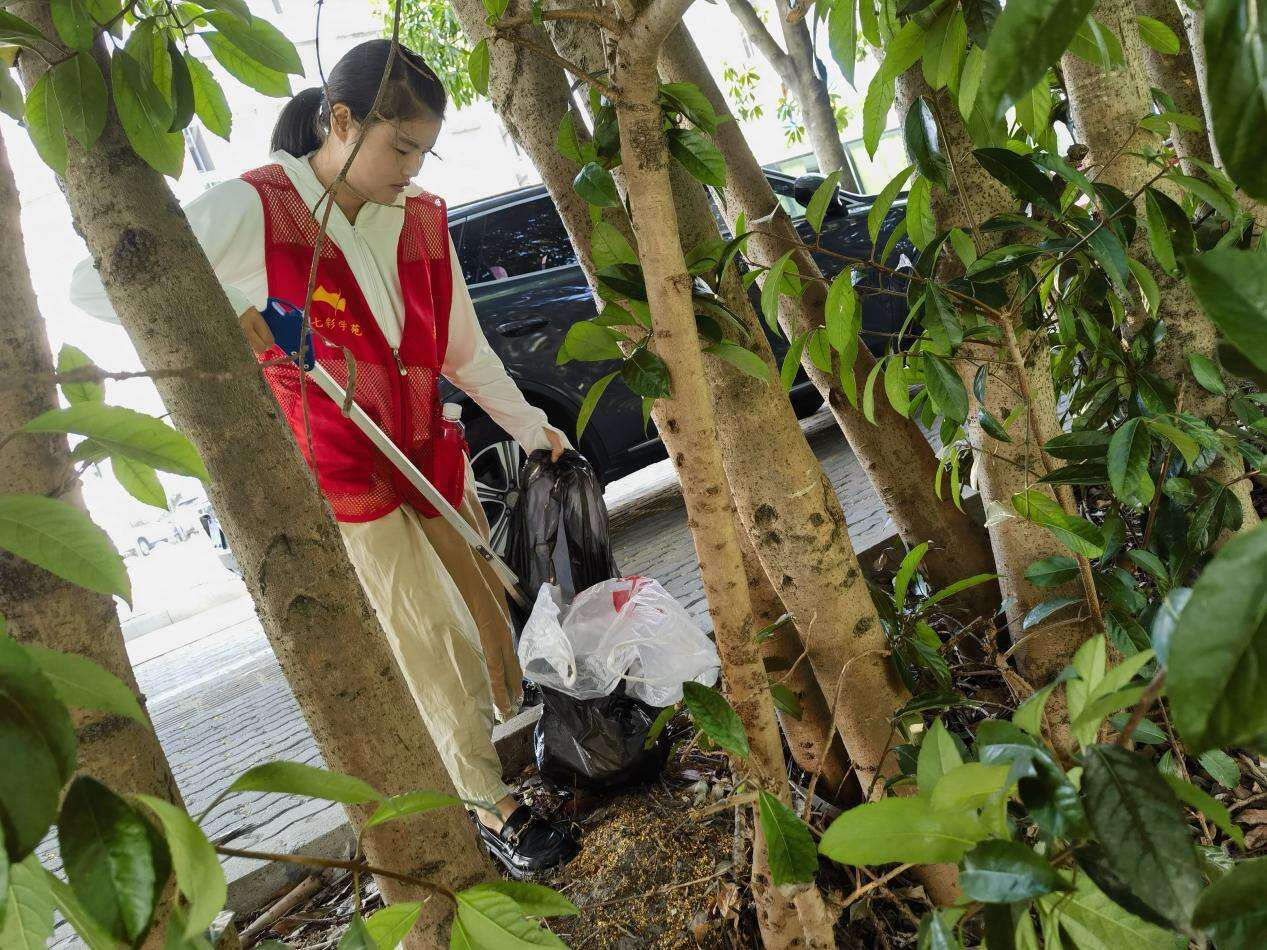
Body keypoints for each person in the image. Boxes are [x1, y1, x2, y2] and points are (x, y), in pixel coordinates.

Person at [70, 39, 579, 876]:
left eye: (422, 151)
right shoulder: (254, 209)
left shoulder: (418, 222)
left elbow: (463, 350)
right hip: (346, 480)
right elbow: (98, 282)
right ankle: (492, 807)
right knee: (431, 643)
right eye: (399, 147)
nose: (410, 170)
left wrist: (531, 428)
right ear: (340, 123)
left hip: (429, 458)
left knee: (486, 618)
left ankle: (493, 769)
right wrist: (244, 310)